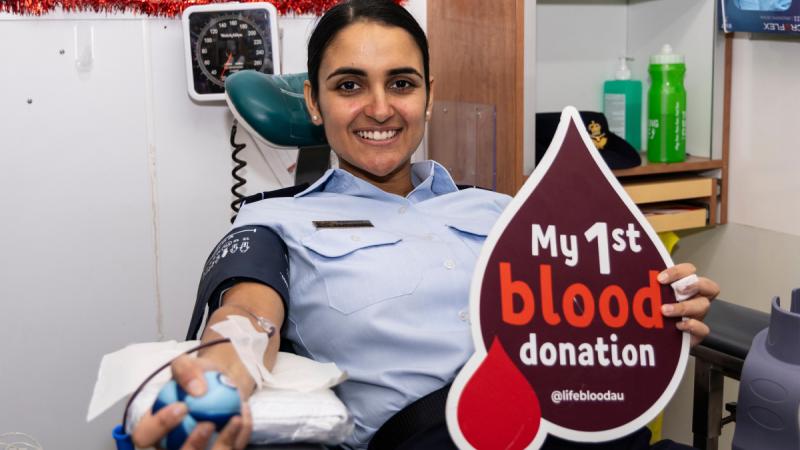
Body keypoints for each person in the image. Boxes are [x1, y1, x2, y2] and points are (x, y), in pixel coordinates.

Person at [131, 1, 720, 449]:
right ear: (314, 102)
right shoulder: (275, 220)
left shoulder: (500, 209)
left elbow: (586, 318)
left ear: (428, 96)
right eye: (350, 85)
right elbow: (248, 315)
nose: (381, 107)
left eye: (401, 83)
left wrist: (657, 315)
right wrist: (218, 374)